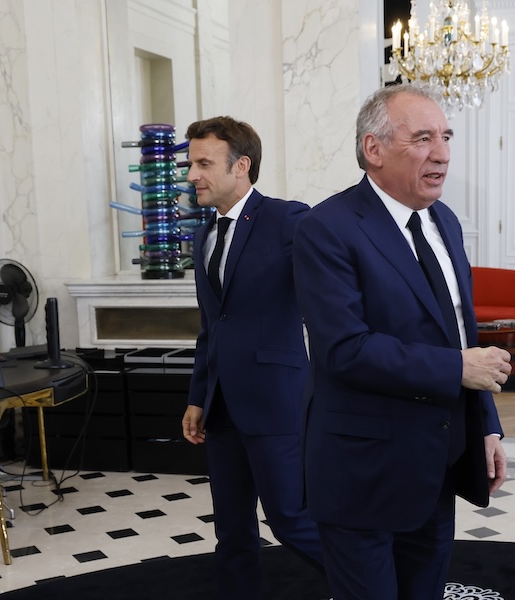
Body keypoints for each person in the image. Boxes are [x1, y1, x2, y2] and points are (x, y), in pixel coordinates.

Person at [293, 83, 511, 599]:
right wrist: (457, 369)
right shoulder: (327, 228)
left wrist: (486, 426)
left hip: (437, 461)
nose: (441, 153)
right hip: (361, 470)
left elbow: (460, 333)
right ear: (374, 149)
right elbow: (344, 349)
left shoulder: (446, 223)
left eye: (446, 137)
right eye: (422, 139)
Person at [179, 116, 323, 599]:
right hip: (221, 406)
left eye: (203, 163)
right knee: (232, 528)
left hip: (275, 400)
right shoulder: (203, 236)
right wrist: (198, 396)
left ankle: (374, 585)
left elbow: (331, 288)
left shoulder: (289, 220)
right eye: (190, 163)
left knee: (291, 519)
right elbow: (210, 328)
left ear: (241, 166)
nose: (191, 175)